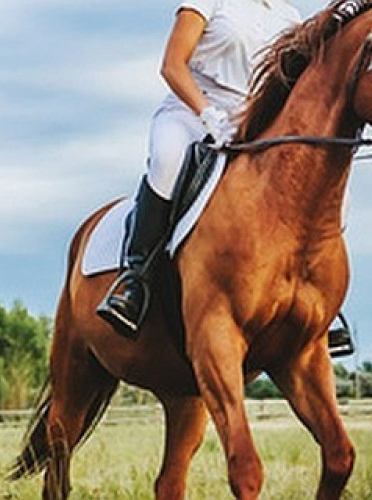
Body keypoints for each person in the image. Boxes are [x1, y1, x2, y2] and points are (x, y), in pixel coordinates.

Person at [97, 0, 301, 337]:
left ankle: (310, 299)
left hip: (254, 119)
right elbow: (172, 65)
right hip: (192, 109)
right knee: (167, 161)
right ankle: (136, 278)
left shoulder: (289, 17)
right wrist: (207, 114)